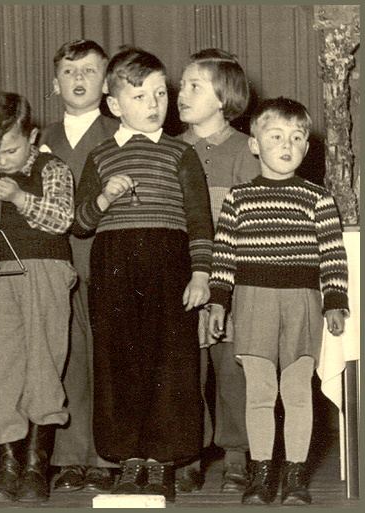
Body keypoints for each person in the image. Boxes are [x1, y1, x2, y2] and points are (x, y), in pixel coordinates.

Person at [73, 48, 213, 503]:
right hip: (114, 268)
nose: (154, 104)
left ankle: (162, 461)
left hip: (169, 266)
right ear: (114, 104)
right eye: (140, 96)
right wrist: (103, 200)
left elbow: (199, 220)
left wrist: (200, 274)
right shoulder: (99, 157)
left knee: (170, 363)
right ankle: (128, 458)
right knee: (119, 362)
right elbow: (80, 223)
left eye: (160, 94)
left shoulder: (181, 153)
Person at [207, 97, 348, 506]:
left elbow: (333, 254)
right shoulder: (238, 198)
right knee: (260, 392)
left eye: (297, 137)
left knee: (298, 391)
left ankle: (295, 475)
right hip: (253, 303)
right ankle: (262, 473)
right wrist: (219, 302)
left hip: (302, 303)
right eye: (276, 136)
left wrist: (334, 300)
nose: (287, 145)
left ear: (307, 147)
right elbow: (223, 254)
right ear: (254, 145)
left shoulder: (318, 198)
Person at [0, 91, 75, 503]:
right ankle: (7, 465)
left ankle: (35, 467)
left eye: (10, 150)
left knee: (42, 366)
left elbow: (62, 218)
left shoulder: (52, 168)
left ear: (32, 136)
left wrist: (19, 197)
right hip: (3, 278)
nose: (2, 160)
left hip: (46, 272)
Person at [37, 39, 121, 494]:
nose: (79, 79)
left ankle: (106, 455)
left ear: (106, 82)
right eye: (69, 72)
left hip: (106, 260)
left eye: (89, 71)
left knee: (107, 356)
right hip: (55, 262)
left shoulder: (121, 132)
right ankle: (70, 456)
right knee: (66, 355)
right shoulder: (40, 139)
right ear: (55, 84)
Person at [175, 48, 257, 494]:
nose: (181, 93)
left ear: (224, 98)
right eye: (182, 84)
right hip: (185, 276)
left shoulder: (247, 149)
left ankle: (237, 452)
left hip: (232, 280)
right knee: (187, 369)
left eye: (194, 86)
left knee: (231, 370)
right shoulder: (171, 149)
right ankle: (187, 453)